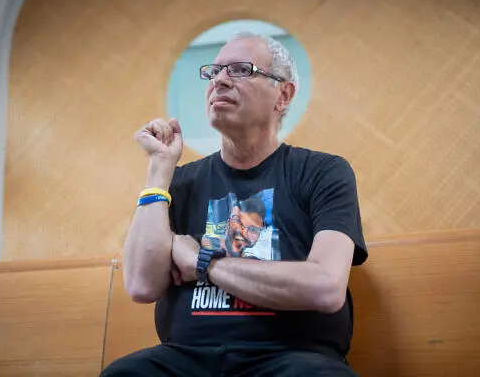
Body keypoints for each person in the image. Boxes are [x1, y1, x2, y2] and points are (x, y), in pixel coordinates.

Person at [101, 32, 368, 376]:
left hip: (290, 359)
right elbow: (140, 285)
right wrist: (159, 170)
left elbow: (326, 287)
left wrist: (202, 262)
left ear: (283, 95)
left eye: (240, 69)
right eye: (214, 72)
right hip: (187, 360)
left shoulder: (322, 172)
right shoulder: (181, 181)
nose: (220, 80)